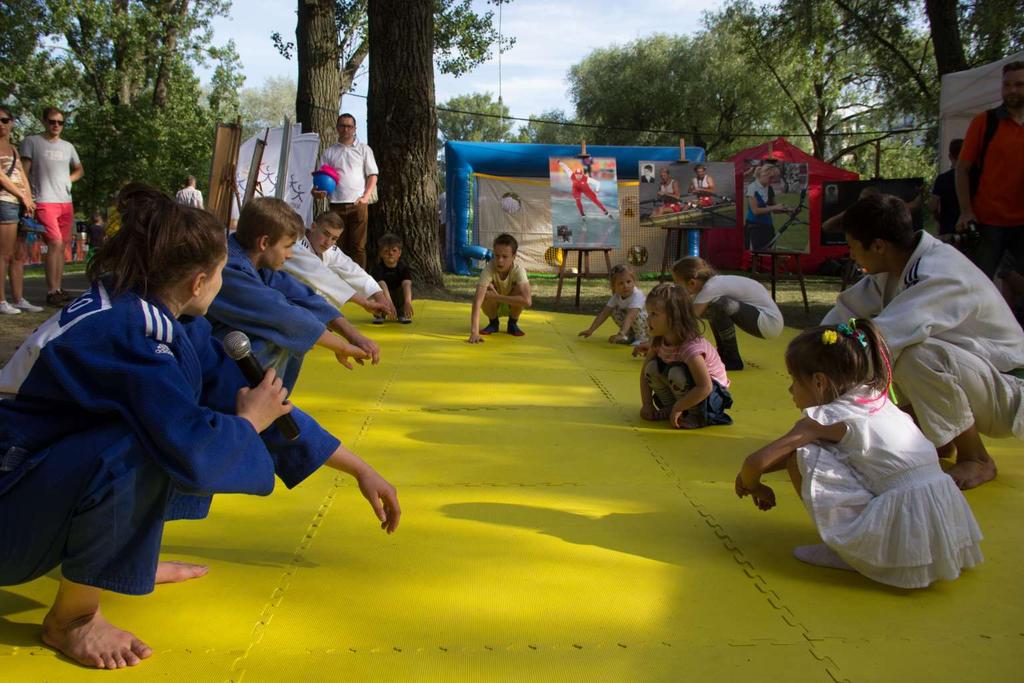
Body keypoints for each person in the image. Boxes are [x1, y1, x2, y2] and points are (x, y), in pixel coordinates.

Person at [0, 184, 400, 669]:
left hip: (31, 486)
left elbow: (262, 407)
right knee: (154, 443)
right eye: (219, 275)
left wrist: (359, 468)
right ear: (197, 282)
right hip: (11, 510)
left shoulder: (165, 321)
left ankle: (124, 561)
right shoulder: (128, 335)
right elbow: (194, 450)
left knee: (188, 425)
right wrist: (249, 421)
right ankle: (73, 620)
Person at [735, 319, 982, 589]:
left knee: (803, 453)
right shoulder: (875, 397)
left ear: (819, 382)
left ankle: (848, 549)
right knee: (817, 447)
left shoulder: (824, 418)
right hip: (942, 518)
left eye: (795, 380)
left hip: (905, 518)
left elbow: (755, 461)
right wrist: (757, 473)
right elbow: (765, 463)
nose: (790, 389)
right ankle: (876, 542)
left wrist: (754, 484)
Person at [824, 194, 1024, 490]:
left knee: (913, 353)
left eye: (852, 246)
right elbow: (843, 314)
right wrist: (811, 349)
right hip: (981, 383)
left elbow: (884, 337)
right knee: (883, 349)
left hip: (1010, 393)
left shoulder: (939, 273)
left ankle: (977, 458)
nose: (850, 254)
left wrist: (824, 390)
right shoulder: (894, 266)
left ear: (878, 245)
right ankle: (937, 438)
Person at [205, 197, 379, 392]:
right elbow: (280, 315)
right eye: (288, 246)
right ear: (264, 242)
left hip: (218, 353)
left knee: (297, 334)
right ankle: (249, 404)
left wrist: (353, 336)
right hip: (204, 365)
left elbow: (305, 297)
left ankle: (269, 401)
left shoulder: (257, 263)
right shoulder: (228, 269)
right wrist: (341, 347)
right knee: (280, 336)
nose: (290, 255)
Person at [954, 61, 1024, 279]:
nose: (1012, 90)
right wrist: (966, 211)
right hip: (987, 222)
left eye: (1019, 85)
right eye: (1007, 85)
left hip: (1022, 223)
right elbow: (961, 169)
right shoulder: (984, 122)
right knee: (978, 283)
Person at [640, 283, 733, 429]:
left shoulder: (691, 348)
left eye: (654, 314)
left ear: (674, 318)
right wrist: (647, 404)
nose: (647, 318)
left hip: (711, 398)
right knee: (651, 368)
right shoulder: (659, 340)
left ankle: (696, 414)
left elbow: (705, 386)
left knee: (676, 372)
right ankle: (671, 407)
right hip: (688, 391)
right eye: (648, 313)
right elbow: (644, 373)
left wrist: (679, 406)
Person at [19, 106, 83, 306]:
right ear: (44, 122)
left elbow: (79, 169)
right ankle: (51, 290)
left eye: (60, 122)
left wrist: (69, 179)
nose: (56, 125)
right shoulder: (32, 142)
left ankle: (59, 288)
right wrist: (27, 198)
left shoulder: (68, 146)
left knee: (62, 246)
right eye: (52, 121)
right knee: (54, 243)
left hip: (65, 201)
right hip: (44, 199)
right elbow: (24, 171)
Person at [672, 256, 783, 371]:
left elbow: (690, 318)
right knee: (713, 306)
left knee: (719, 305)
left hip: (769, 323)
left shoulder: (711, 288)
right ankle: (723, 354)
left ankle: (732, 359)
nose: (676, 287)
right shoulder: (713, 284)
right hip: (764, 319)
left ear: (692, 283)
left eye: (677, 283)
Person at [282, 211, 394, 319]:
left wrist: (379, 295)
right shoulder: (295, 245)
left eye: (334, 239)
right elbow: (324, 278)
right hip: (285, 302)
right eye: (326, 234)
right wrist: (364, 303)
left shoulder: (328, 249)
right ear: (313, 227)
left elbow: (351, 269)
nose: (328, 242)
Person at [313, 113, 378, 268]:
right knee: (335, 247)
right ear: (337, 128)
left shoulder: (364, 149)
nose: (346, 129)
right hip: (336, 205)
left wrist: (366, 197)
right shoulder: (329, 152)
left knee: (358, 247)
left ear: (355, 129)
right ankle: (337, 281)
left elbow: (372, 175)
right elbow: (321, 180)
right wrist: (318, 192)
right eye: (342, 125)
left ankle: (360, 284)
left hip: (358, 204)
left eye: (349, 126)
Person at [0, 104, 42, 314]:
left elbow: (22, 175)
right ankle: (1, 300)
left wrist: (28, 199)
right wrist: (20, 196)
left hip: (20, 204)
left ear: (11, 123)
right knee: (3, 253)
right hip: (5, 201)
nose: (1, 125)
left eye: (4, 120)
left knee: (19, 254)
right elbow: (1, 176)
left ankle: (18, 298)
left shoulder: (14, 149)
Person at [468, 233, 532, 342]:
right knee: (486, 290)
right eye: (496, 256)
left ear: (514, 257)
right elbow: (477, 302)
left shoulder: (518, 271)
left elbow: (527, 301)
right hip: (494, 305)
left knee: (520, 291)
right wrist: (474, 333)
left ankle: (512, 323)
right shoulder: (488, 270)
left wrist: (497, 297)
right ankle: (493, 323)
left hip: (510, 304)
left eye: (505, 257)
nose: (500, 260)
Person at [578, 264, 649, 345]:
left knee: (634, 314)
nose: (625, 286)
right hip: (632, 324)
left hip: (647, 326)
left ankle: (643, 338)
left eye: (628, 282)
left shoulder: (637, 295)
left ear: (634, 282)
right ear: (614, 286)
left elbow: (631, 317)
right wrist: (591, 330)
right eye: (621, 283)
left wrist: (621, 333)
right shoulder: (617, 296)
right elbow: (604, 313)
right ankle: (630, 336)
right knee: (613, 310)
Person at [369, 233, 415, 324]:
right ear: (380, 253)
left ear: (399, 253)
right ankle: (380, 314)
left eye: (394, 250)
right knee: (376, 289)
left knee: (404, 289)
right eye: (386, 251)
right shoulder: (377, 268)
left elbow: (407, 284)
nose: (390, 253)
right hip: (384, 295)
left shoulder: (403, 268)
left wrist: (408, 302)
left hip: (397, 296)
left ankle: (401, 314)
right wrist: (389, 303)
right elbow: (382, 285)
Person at [744, 163, 789, 251]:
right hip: (754, 228)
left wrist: (787, 210)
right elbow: (755, 211)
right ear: (764, 175)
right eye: (771, 178)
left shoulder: (770, 189)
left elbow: (775, 209)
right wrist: (775, 207)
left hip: (768, 227)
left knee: (770, 252)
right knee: (755, 255)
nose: (772, 181)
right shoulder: (752, 187)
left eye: (774, 179)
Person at [930, 139, 963, 239]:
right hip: (968, 228)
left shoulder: (942, 179)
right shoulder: (974, 178)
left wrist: (939, 219)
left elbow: (933, 206)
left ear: (950, 156)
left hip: (948, 229)